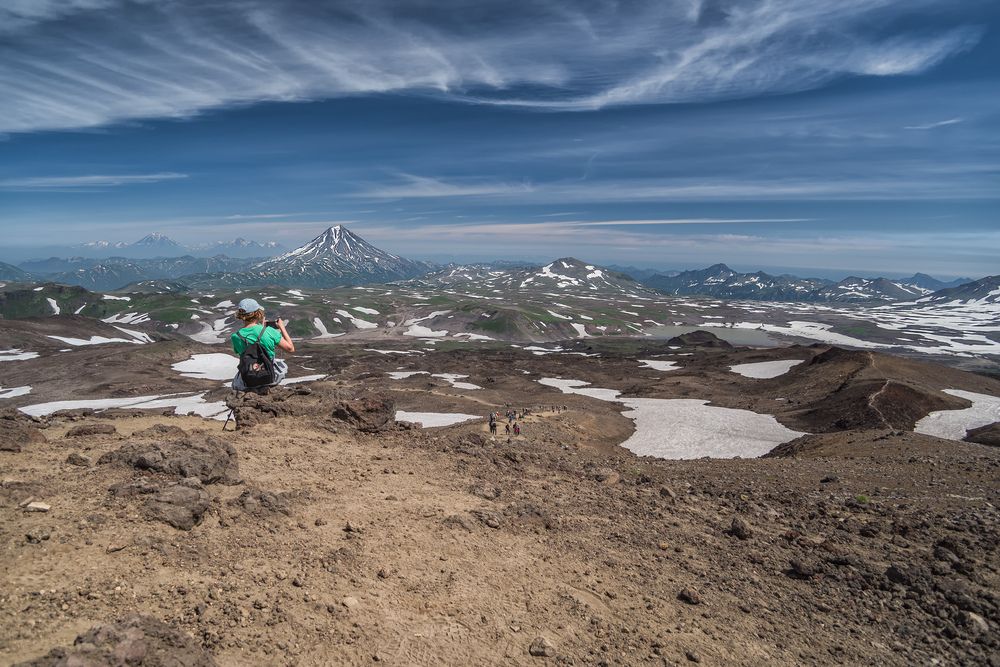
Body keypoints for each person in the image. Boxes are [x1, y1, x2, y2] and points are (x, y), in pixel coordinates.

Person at [230, 297, 294, 391]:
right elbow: (290, 348)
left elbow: (244, 353)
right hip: (269, 377)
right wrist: (282, 327)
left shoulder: (235, 336)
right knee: (282, 364)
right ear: (257, 313)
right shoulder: (268, 331)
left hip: (249, 378)